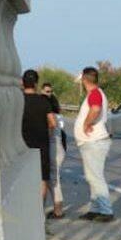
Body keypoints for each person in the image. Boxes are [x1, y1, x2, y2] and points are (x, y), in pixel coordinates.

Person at [74, 67, 114, 222]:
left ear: (84, 79)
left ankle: (105, 210)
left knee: (95, 177)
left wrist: (86, 123)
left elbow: (95, 109)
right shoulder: (96, 93)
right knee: (91, 177)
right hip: (91, 142)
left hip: (94, 142)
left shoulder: (95, 93)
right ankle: (95, 208)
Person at [20, 69, 55, 211]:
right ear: (36, 83)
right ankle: (39, 210)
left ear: (23, 82)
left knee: (23, 175)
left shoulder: (18, 99)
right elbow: (52, 123)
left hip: (22, 143)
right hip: (41, 144)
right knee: (42, 177)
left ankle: (25, 207)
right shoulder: (43, 100)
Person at [43, 83, 66, 219]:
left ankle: (58, 210)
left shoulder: (51, 117)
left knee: (53, 180)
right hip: (59, 149)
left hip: (53, 149)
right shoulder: (58, 116)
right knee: (53, 179)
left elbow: (50, 132)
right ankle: (57, 208)